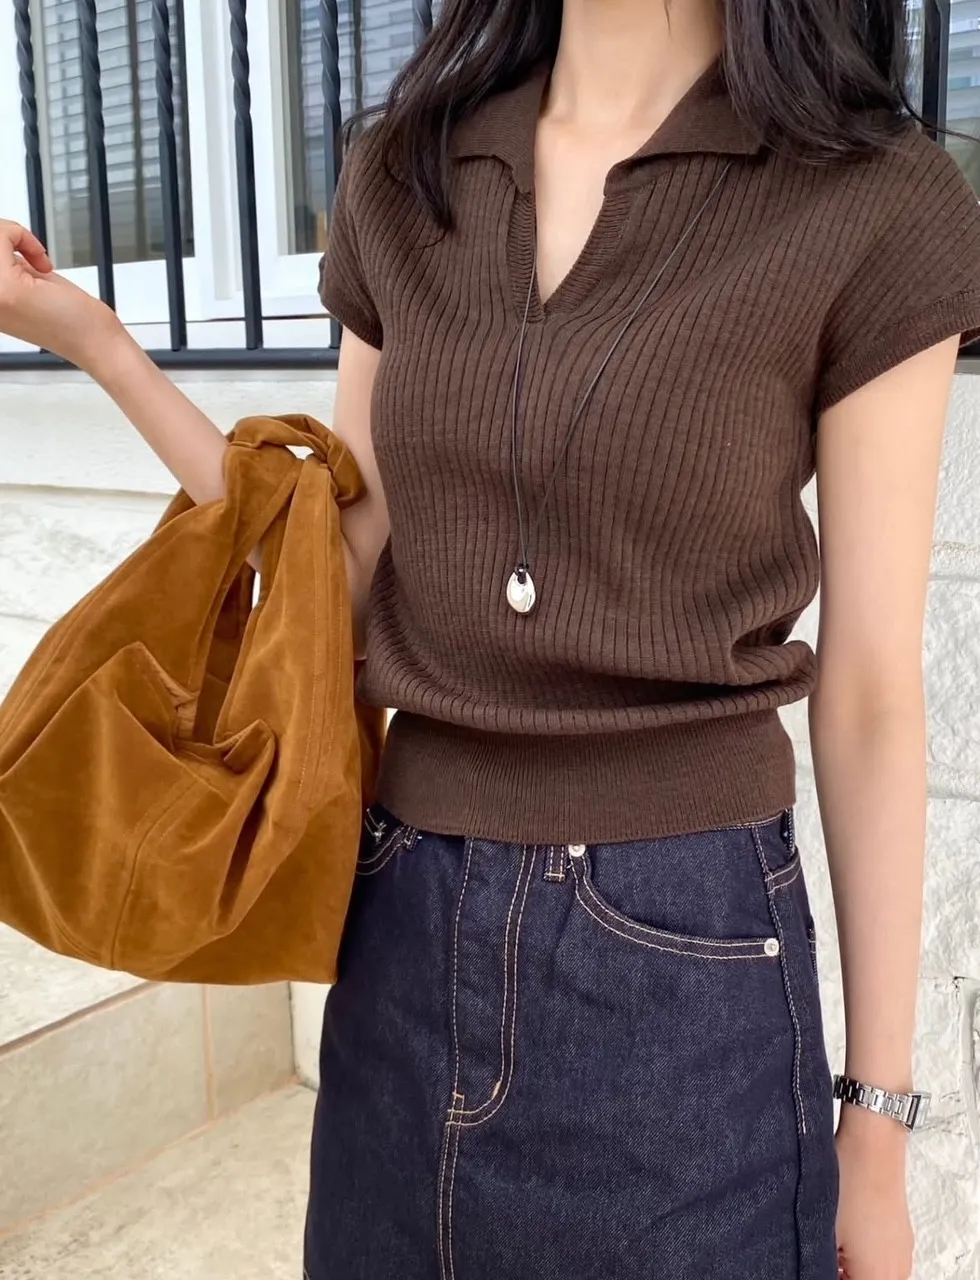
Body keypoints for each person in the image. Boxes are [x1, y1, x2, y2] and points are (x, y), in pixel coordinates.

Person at [2, 0, 980, 1276]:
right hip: (405, 920)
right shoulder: (407, 171)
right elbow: (335, 576)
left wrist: (877, 1124)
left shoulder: (869, 199)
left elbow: (867, 696)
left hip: (681, 956)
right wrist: (98, 344)